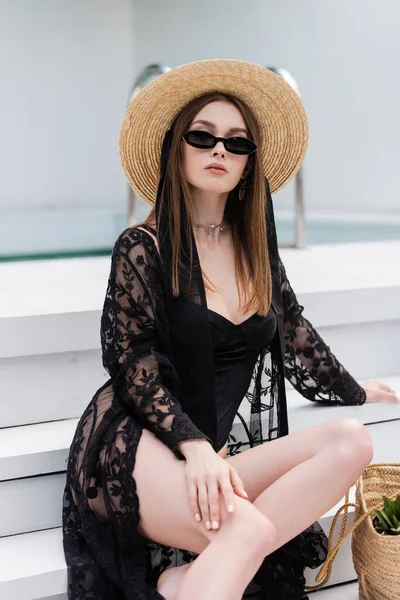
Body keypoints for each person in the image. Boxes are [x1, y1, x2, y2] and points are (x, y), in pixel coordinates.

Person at [62, 59, 399, 600]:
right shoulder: (142, 247)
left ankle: (186, 582)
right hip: (137, 440)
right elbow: (131, 368)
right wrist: (194, 448)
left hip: (215, 450)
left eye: (237, 143)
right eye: (203, 136)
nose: (220, 150)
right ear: (179, 148)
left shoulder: (254, 252)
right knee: (252, 530)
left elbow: (294, 332)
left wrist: (358, 389)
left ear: (249, 163)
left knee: (352, 442)